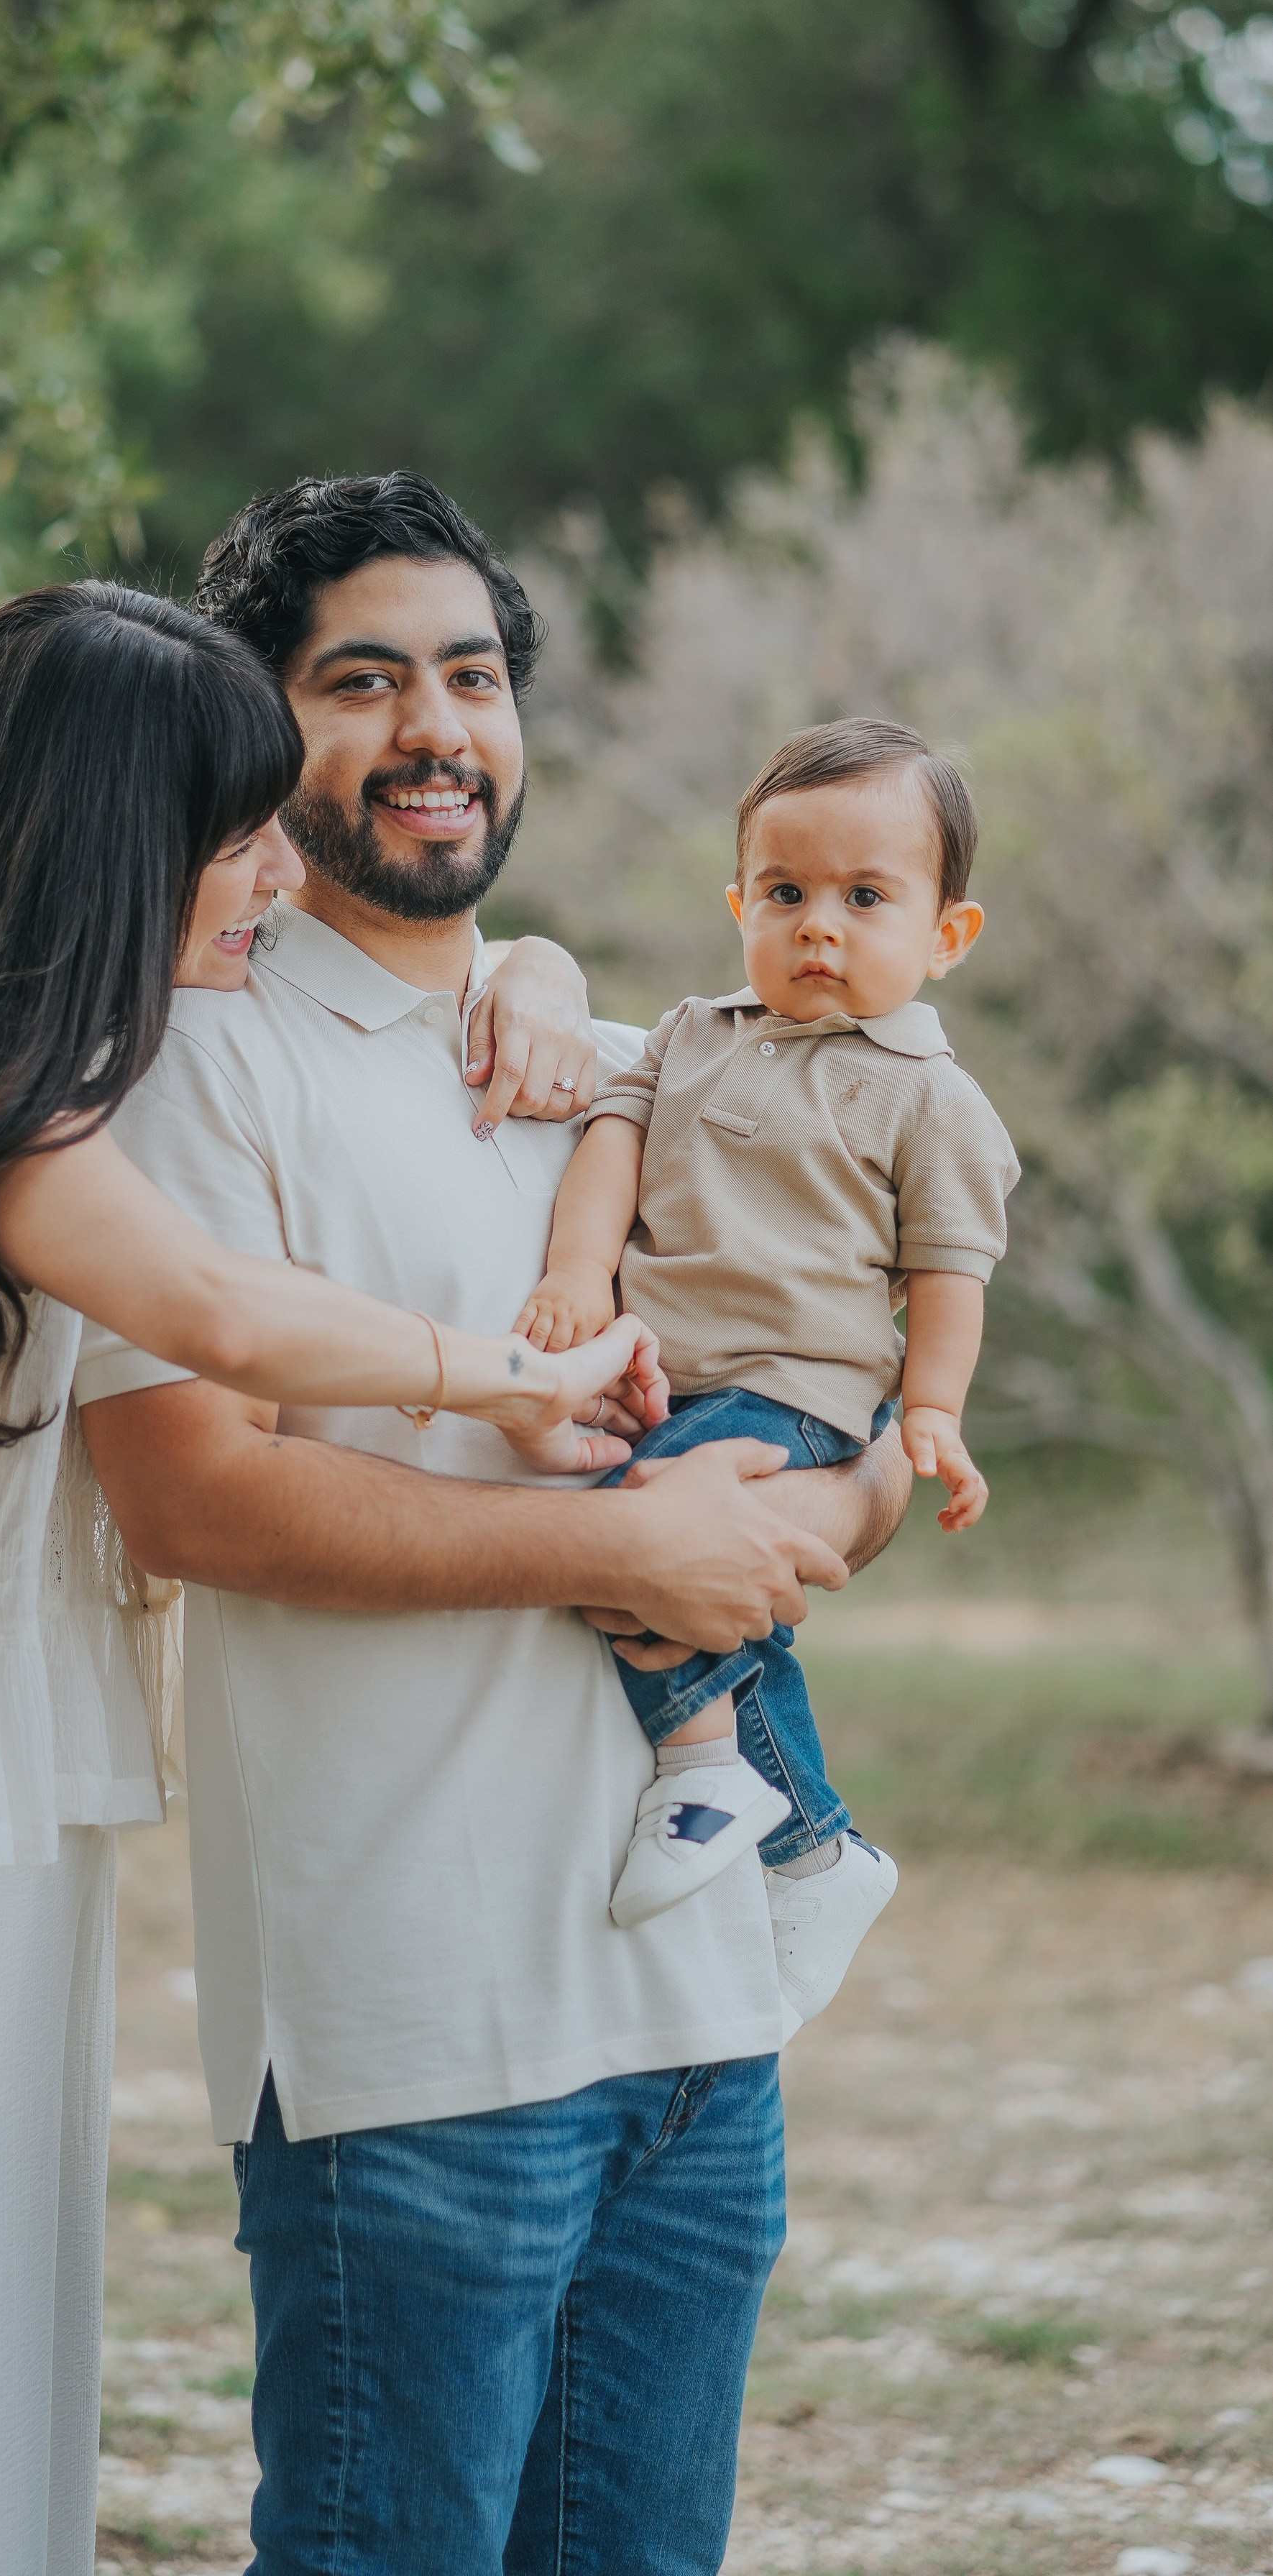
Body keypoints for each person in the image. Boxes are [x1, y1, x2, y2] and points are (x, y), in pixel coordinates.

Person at [0, 579, 667, 2576]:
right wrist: (497, 1371)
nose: (276, 868)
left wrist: (523, 961)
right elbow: (221, 1309)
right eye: (238, 826)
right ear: (115, 837)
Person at [77, 474, 916, 2576]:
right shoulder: (191, 1061)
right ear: (263, 731)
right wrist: (621, 1553)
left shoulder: (634, 1062)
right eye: (361, 681)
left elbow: (842, 1441)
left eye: (472, 674)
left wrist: (828, 1499)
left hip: (700, 2030)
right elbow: (190, 1490)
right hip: (411, 2030)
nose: (434, 725)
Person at [519, 715, 1021, 2019]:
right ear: (740, 902)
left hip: (792, 1393)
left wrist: (931, 1414)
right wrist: (579, 1277)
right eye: (786, 895)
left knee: (642, 1533)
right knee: (618, 1538)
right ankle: (806, 1842)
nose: (819, 929)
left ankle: (731, 1787)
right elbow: (611, 1151)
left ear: (944, 936)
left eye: (866, 899)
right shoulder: (689, 1033)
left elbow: (946, 1275)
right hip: (655, 1372)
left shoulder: (931, 1098)